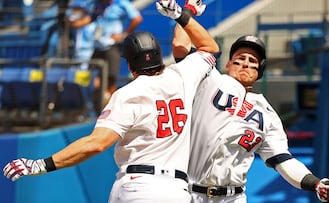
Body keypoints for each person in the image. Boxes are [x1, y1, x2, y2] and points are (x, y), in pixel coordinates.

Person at [2, 0, 219, 202]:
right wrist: (183, 14)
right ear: (158, 56)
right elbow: (209, 47)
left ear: (131, 66)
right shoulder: (182, 76)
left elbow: (96, 143)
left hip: (139, 186)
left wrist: (41, 164)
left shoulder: (129, 93)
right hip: (176, 191)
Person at [172, 3, 329, 203]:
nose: (247, 63)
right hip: (188, 193)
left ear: (259, 72)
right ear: (228, 64)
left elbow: (283, 161)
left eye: (253, 61)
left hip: (233, 197)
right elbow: (180, 50)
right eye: (240, 58)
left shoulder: (265, 112)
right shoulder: (209, 81)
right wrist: (186, 13)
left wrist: (315, 183)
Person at [91, 0, 143, 115]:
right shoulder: (97, 4)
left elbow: (137, 18)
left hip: (112, 47)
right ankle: (98, 111)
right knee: (96, 82)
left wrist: (124, 35)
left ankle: (112, 113)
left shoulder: (121, 3)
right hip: (98, 47)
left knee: (111, 81)